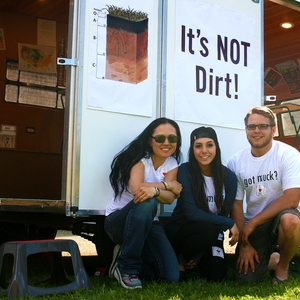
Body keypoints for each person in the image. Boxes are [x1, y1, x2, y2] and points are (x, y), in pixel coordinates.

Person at [104, 117, 183, 289]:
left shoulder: (172, 162)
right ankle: (127, 268)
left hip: (148, 222)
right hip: (118, 221)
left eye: (173, 138)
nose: (167, 143)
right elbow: (138, 191)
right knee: (147, 203)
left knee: (170, 276)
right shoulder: (139, 160)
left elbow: (170, 199)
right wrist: (167, 185)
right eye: (160, 138)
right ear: (150, 140)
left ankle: (119, 261)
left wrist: (155, 190)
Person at [227, 106, 300, 284]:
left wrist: (253, 222)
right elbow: (236, 204)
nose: (256, 131)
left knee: (291, 222)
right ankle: (273, 259)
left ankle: (282, 267)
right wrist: (245, 244)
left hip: (280, 216)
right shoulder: (236, 161)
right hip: (255, 223)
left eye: (263, 126)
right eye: (251, 127)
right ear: (246, 130)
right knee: (245, 279)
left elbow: (292, 199)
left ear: (273, 129)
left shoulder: (288, 155)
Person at [165, 126, 239, 282]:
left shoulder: (229, 177)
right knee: (208, 229)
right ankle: (179, 258)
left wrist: (197, 256)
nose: (204, 150)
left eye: (209, 145)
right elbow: (192, 213)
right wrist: (229, 223)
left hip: (210, 234)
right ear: (192, 149)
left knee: (217, 277)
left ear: (216, 147)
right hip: (182, 231)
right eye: (198, 146)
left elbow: (222, 214)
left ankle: (190, 259)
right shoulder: (185, 171)